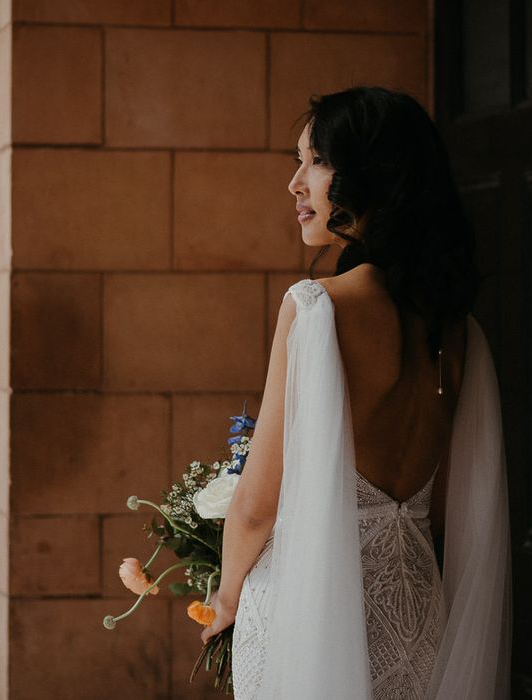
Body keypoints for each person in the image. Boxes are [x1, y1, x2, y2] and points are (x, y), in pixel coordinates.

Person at [200, 86, 512, 699]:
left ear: (374, 176)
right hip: (417, 616)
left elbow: (259, 504)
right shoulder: (456, 328)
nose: (296, 184)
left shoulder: (316, 308)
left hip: (314, 615)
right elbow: (451, 506)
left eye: (315, 161)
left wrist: (225, 598)